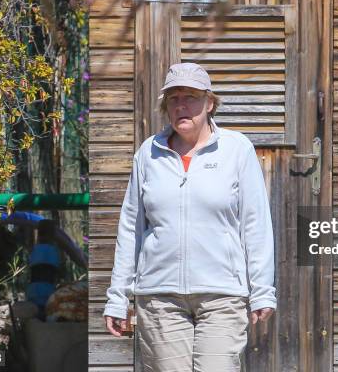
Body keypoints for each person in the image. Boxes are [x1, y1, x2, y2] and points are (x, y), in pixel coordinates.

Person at [102, 62, 277, 371]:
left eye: (191, 97)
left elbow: (256, 224)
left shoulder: (236, 150)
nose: (182, 105)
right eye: (174, 98)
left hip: (222, 295)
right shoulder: (148, 153)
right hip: (159, 297)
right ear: (165, 106)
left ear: (210, 103)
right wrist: (118, 297)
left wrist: (262, 290)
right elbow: (130, 229)